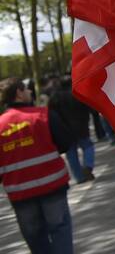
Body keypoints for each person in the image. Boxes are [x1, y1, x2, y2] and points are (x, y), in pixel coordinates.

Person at [1, 77, 75, 254]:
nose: (30, 92)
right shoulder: (43, 115)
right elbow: (65, 143)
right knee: (60, 229)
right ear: (19, 93)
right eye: (26, 89)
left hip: (20, 194)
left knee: (35, 236)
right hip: (52, 187)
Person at [47, 76, 95, 184]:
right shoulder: (78, 93)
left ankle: (79, 177)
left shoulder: (55, 97)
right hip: (81, 126)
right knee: (88, 146)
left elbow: (51, 113)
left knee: (71, 152)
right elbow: (89, 106)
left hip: (64, 128)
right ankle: (88, 165)